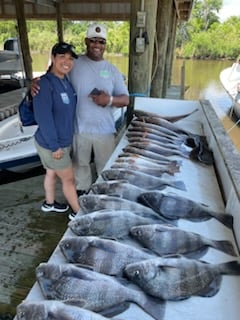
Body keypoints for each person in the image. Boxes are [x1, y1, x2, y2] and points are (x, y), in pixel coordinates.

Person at [69, 23, 129, 202]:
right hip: (80, 128)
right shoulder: (73, 64)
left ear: (105, 45)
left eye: (101, 41)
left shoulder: (112, 70)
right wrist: (36, 83)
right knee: (81, 166)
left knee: (105, 168)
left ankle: (104, 198)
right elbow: (54, 77)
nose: (97, 45)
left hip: (105, 130)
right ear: (86, 41)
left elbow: (125, 99)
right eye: (93, 40)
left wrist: (109, 100)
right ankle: (82, 197)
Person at [33, 42, 80, 216]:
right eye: (62, 57)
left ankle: (49, 203)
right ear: (53, 58)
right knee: (68, 179)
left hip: (62, 140)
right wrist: (54, 146)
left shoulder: (65, 80)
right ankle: (78, 214)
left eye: (70, 58)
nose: (67, 61)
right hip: (52, 144)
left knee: (51, 173)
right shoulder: (44, 84)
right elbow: (43, 118)